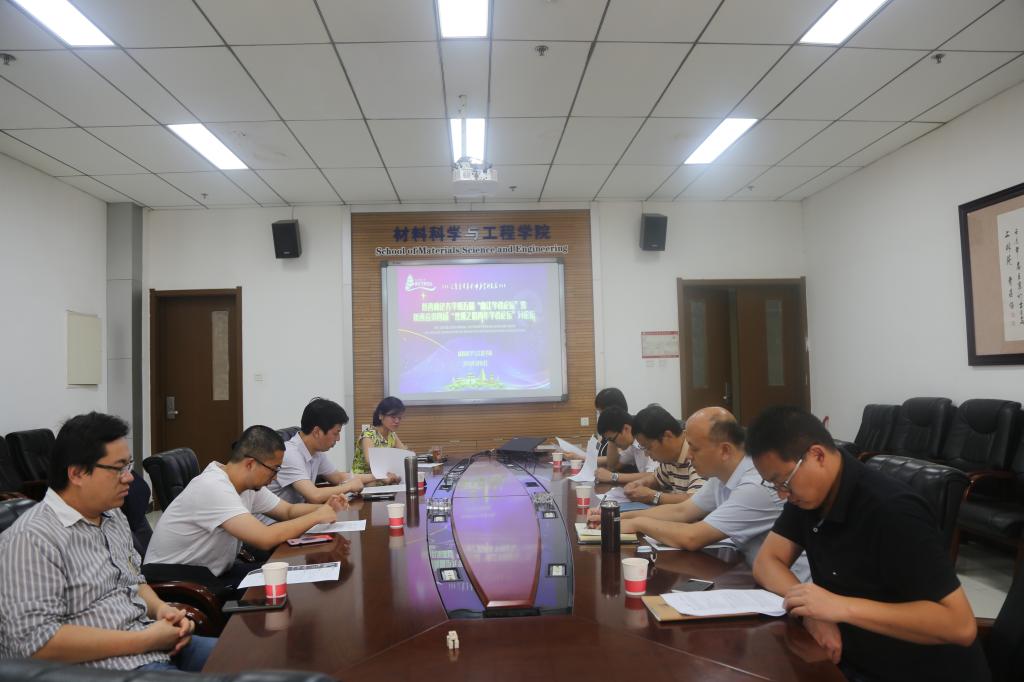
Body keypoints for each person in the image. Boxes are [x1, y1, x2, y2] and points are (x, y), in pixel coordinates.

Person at [747, 406, 989, 682]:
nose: (782, 495)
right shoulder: (807, 496)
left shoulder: (892, 511)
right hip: (853, 656)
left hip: (919, 670)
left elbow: (960, 625)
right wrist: (812, 612)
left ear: (817, 455)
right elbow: (767, 562)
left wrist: (840, 607)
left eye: (783, 482)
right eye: (775, 485)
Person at [0, 412, 216, 671]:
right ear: (77, 474)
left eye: (129, 465)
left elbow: (134, 581)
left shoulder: (112, 514)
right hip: (108, 668)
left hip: (151, 642)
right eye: (118, 468)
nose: (130, 477)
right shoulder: (32, 539)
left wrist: (162, 611)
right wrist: (145, 640)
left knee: (248, 657)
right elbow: (36, 645)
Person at [588, 407, 809, 578]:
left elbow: (693, 537)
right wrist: (617, 517)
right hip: (752, 572)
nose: (688, 456)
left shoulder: (754, 484)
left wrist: (637, 523)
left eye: (694, 448)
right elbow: (682, 511)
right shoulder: (721, 476)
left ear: (725, 450)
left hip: (788, 587)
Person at [144, 425, 347, 594]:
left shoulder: (247, 485)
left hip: (214, 573)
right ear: (250, 464)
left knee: (292, 577)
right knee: (285, 589)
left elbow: (288, 511)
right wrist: (317, 516)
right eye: (274, 469)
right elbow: (264, 538)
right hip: (180, 583)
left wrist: (325, 506)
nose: (275, 477)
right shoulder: (213, 487)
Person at [267, 397, 396, 504]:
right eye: (336, 433)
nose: (338, 438)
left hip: (295, 516)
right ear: (317, 432)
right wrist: (349, 486)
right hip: (273, 523)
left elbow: (338, 477)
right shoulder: (290, 454)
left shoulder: (316, 452)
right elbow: (314, 495)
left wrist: (379, 476)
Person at [618, 404, 705, 506]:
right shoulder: (670, 457)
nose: (646, 454)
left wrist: (653, 496)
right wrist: (639, 483)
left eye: (648, 447)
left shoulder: (696, 453)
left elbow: (695, 502)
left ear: (667, 436)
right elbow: (656, 478)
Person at [594, 407, 658, 485]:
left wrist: (613, 477)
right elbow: (613, 466)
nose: (614, 444)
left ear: (626, 429)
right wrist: (611, 440)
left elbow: (654, 475)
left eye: (613, 439)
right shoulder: (632, 445)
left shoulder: (648, 438)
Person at [353, 396, 407, 475]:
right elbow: (371, 462)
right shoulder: (368, 435)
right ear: (381, 415)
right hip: (363, 479)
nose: (397, 421)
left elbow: (405, 455)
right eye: (393, 417)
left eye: (399, 418)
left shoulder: (392, 435)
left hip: (383, 477)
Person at [593, 388, 628, 467]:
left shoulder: (623, 431)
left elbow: (617, 459)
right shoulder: (607, 431)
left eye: (601, 412)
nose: (600, 417)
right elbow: (597, 449)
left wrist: (582, 457)